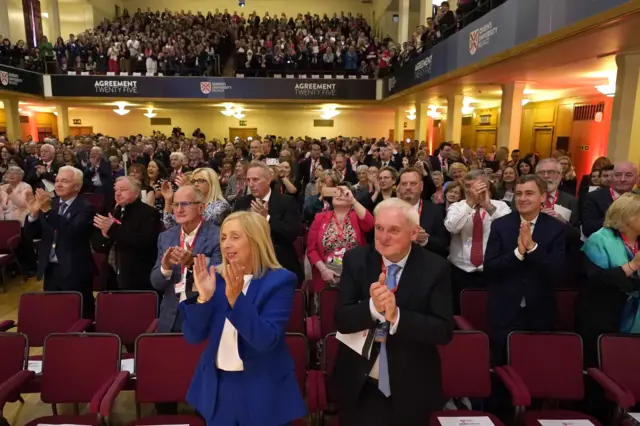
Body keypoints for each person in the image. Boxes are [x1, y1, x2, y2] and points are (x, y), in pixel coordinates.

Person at [333, 198, 453, 426]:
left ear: (413, 232)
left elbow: (443, 331)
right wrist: (372, 307)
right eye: (379, 228)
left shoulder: (436, 268)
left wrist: (397, 316)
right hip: (360, 379)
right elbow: (341, 319)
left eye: (394, 230)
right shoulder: (356, 260)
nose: (383, 237)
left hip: (411, 382)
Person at [179, 211, 306, 425]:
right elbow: (192, 337)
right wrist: (203, 298)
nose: (226, 244)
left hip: (261, 387)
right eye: (223, 237)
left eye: (235, 237)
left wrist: (236, 299)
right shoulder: (215, 278)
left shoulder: (279, 281)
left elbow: (266, 340)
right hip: (218, 387)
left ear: (256, 240)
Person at [484, 175, 567, 364]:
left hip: (540, 311)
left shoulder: (556, 229)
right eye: (518, 193)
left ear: (543, 197)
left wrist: (533, 248)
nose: (522, 198)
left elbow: (557, 272)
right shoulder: (501, 225)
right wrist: (518, 253)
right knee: (501, 365)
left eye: (529, 193)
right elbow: (490, 267)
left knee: (536, 366)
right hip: (504, 311)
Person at [576, 193, 640, 367]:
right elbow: (596, 280)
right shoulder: (599, 240)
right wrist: (633, 266)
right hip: (603, 316)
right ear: (627, 216)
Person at [24, 166, 96, 318]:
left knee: (80, 313)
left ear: (77, 186)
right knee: (54, 313)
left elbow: (71, 232)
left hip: (75, 268)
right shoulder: (52, 203)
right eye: (56, 181)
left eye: (65, 181)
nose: (58, 184)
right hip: (50, 268)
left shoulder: (86, 207)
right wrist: (33, 215)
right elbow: (32, 235)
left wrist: (47, 211)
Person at [150, 186, 222, 334]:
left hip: (203, 312)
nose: (178, 210)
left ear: (201, 207)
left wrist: (192, 263)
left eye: (185, 204)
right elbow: (156, 283)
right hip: (170, 317)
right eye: (175, 204)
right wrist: (165, 268)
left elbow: (220, 279)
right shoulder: (166, 237)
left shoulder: (218, 236)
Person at [445, 170, 511, 314]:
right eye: (468, 186)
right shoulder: (457, 207)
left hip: (491, 270)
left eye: (477, 186)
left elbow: (508, 231)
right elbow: (452, 227)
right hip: (460, 271)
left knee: (489, 311)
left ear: (487, 187)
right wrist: (469, 204)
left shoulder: (500, 206)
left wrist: (488, 207)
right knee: (459, 311)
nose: (472, 190)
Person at [233, 161, 303, 283]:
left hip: (279, 262)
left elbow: (291, 234)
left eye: (255, 180)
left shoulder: (286, 202)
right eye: (248, 180)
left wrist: (267, 218)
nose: (251, 184)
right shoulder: (242, 203)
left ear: (268, 180)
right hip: (248, 263)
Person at [92, 176, 161, 291]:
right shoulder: (112, 211)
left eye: (123, 190)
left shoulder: (149, 213)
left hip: (136, 276)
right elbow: (97, 245)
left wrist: (113, 230)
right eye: (116, 190)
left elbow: (145, 243)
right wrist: (105, 236)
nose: (118, 194)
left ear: (136, 193)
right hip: (111, 275)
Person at [306, 182, 374, 293]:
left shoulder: (356, 216)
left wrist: (353, 201)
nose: (339, 195)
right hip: (326, 275)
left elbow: (370, 224)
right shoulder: (320, 218)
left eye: (344, 193)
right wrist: (323, 270)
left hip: (355, 273)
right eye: (336, 192)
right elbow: (311, 249)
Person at [397, 167, 450, 257]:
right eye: (404, 184)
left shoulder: (435, 210)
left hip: (424, 263)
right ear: (399, 187)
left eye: (413, 183)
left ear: (421, 186)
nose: (408, 187)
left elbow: (444, 244)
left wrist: (425, 240)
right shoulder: (389, 210)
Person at [582, 161, 639, 238]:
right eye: (618, 175)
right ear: (611, 178)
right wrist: (618, 219)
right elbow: (588, 229)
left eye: (628, 175)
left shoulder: (638, 200)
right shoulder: (593, 197)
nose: (622, 179)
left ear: (636, 179)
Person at [162, 167, 231, 229]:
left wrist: (187, 192)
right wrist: (168, 200)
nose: (195, 184)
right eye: (193, 181)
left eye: (200, 181)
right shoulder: (194, 203)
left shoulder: (221, 205)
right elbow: (170, 224)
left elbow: (201, 224)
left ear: (211, 183)